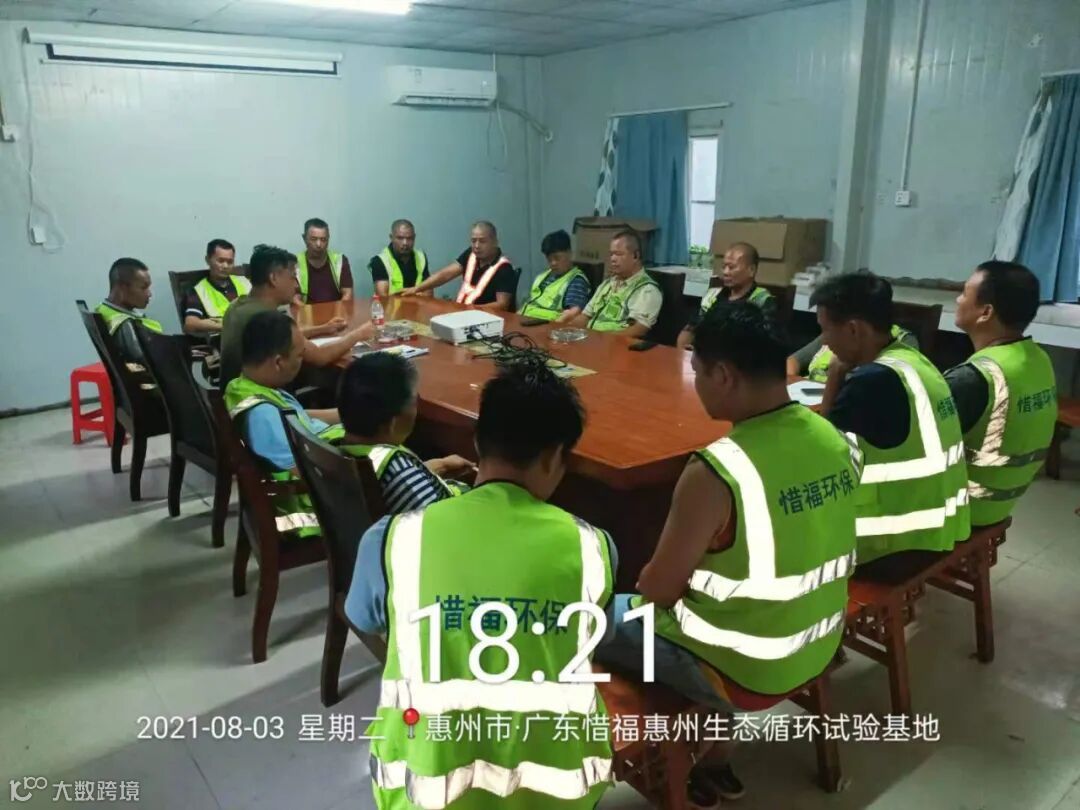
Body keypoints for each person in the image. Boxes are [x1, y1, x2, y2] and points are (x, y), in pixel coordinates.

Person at [597, 301, 860, 805]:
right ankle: (716, 761)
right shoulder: (833, 437)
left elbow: (657, 590)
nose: (696, 383)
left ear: (722, 375)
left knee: (592, 614)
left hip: (748, 666)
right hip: (821, 639)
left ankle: (658, 758)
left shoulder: (717, 470)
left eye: (697, 371)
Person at [346, 358, 619, 809]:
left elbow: (362, 617)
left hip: (422, 788)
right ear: (554, 457)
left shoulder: (391, 538)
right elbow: (592, 640)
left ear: (477, 441)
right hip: (555, 792)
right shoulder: (594, 547)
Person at [813, 271, 969, 566]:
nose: (824, 341)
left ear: (854, 329)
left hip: (890, 546)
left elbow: (821, 457)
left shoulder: (871, 382)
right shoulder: (913, 361)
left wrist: (834, 375)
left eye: (825, 330)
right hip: (940, 528)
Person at [947, 261, 1057, 526]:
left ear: (985, 312)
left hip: (958, 508)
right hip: (1000, 503)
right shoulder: (1038, 359)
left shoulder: (975, 378)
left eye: (964, 293)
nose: (957, 299)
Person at [224, 310, 344, 537]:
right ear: (278, 362)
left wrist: (348, 415)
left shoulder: (244, 386)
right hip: (313, 509)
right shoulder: (262, 416)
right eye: (299, 355)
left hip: (320, 458)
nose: (302, 361)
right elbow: (304, 473)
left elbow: (298, 417)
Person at [335, 352, 476, 513]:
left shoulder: (339, 444)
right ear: (393, 423)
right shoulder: (402, 478)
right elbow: (443, 525)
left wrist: (436, 467)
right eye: (415, 401)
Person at [219, 245, 371, 388]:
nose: (296, 285)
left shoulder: (238, 305)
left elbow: (283, 335)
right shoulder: (267, 319)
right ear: (274, 278)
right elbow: (320, 357)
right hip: (261, 398)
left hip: (236, 392)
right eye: (292, 277)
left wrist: (324, 328)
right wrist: (360, 334)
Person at [398, 220, 516, 310]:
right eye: (473, 240)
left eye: (482, 241)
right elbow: (445, 275)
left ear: (495, 242)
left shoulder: (504, 268)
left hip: (485, 319)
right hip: (462, 313)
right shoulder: (470, 254)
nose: (476, 246)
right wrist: (417, 288)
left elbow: (502, 305)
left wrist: (471, 310)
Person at [677, 242, 774, 349]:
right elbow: (690, 329)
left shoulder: (762, 299)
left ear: (751, 270)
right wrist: (683, 351)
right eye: (724, 267)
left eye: (732, 267)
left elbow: (765, 343)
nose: (726, 272)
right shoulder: (712, 295)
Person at [568, 230, 661, 338]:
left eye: (619, 254)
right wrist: (568, 330)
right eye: (611, 254)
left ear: (635, 256)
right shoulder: (607, 284)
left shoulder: (647, 290)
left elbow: (638, 330)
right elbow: (585, 316)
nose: (613, 259)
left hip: (616, 345)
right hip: (590, 340)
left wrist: (603, 340)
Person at [96, 257, 162, 367]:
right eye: (143, 288)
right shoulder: (125, 325)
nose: (149, 294)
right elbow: (148, 362)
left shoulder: (102, 309)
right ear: (122, 288)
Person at [788, 326, 919, 381]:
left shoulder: (904, 342)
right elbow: (792, 361)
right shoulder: (836, 330)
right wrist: (792, 384)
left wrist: (836, 372)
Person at [518, 229, 592, 323]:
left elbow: (574, 312)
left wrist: (554, 327)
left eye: (557, 258)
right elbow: (527, 304)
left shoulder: (576, 281)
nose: (553, 263)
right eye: (549, 259)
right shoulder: (542, 277)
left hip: (548, 325)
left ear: (570, 253)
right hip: (525, 321)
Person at [182, 238, 252, 335]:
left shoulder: (244, 282)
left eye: (230, 262)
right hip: (225, 339)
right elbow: (190, 324)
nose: (225, 266)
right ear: (208, 260)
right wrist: (228, 326)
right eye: (220, 261)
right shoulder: (199, 291)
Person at [295, 217, 353, 304]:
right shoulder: (295, 263)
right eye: (313, 239)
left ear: (328, 239)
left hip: (336, 311)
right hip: (306, 311)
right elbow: (295, 299)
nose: (319, 244)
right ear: (304, 238)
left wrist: (339, 312)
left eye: (323, 240)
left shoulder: (340, 260)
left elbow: (348, 294)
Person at [368, 219, 429, 297]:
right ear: (391, 237)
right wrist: (414, 293)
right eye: (400, 238)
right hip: (392, 305)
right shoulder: (380, 261)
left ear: (414, 237)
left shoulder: (421, 257)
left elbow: (428, 293)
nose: (405, 243)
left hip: (418, 304)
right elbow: (383, 298)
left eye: (409, 238)